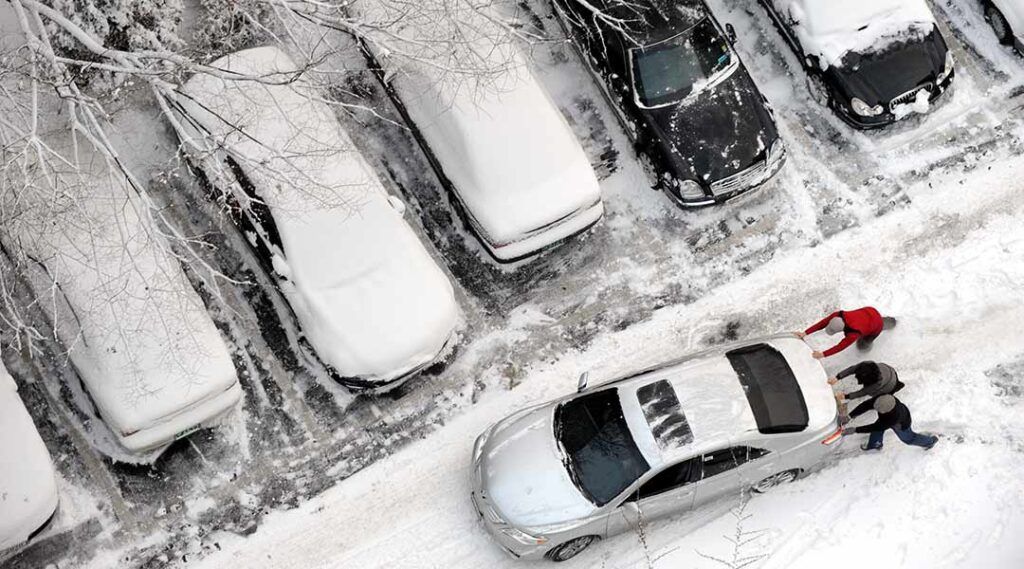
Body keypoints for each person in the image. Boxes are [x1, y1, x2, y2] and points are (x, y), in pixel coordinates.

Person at [841, 394, 937, 451]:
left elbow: (876, 427)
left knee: (908, 439)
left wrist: (855, 430)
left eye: (879, 410)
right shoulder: (882, 399)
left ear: (887, 411)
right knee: (877, 429)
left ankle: (930, 442)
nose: (876, 410)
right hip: (886, 419)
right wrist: (850, 416)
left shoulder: (894, 417)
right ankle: (875, 444)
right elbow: (866, 405)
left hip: (901, 424)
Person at [797, 306, 896, 358]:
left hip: (876, 325)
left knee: (862, 345)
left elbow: (840, 347)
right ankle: (892, 321)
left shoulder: (853, 333)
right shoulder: (838, 314)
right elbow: (822, 323)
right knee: (873, 320)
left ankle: (891, 323)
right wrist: (805, 333)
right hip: (869, 311)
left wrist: (823, 354)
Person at [830, 361, 904, 403]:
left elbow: (863, 392)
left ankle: (896, 387)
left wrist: (846, 396)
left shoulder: (877, 383)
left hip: (890, 384)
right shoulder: (866, 365)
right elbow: (852, 369)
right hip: (888, 371)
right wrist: (838, 377)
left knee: (876, 395)